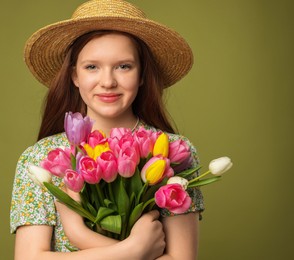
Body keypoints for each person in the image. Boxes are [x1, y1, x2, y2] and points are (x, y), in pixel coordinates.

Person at [10, 0, 204, 259]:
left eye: (124, 66)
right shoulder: (44, 158)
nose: (108, 82)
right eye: (92, 67)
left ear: (142, 74)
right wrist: (134, 250)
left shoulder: (172, 151)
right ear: (75, 76)